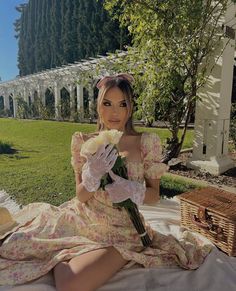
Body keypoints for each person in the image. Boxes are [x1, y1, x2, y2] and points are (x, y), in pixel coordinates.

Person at [0, 74, 212, 291]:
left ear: (130, 108)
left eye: (122, 104)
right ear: (98, 105)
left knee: (71, 285)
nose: (115, 112)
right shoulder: (83, 141)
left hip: (122, 230)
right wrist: (92, 176)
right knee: (11, 247)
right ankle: (62, 250)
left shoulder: (146, 142)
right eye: (107, 103)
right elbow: (81, 195)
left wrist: (132, 190)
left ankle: (58, 256)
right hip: (83, 219)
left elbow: (154, 195)